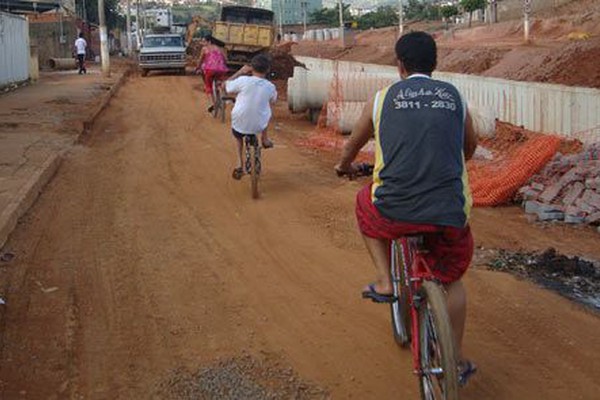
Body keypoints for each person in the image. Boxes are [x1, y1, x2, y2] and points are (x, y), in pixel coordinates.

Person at [334, 31, 478, 386]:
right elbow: (469, 148)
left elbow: (353, 144)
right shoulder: (455, 97)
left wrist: (344, 166)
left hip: (393, 209)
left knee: (363, 202)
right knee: (453, 280)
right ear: (436, 63)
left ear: (399, 64)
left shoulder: (381, 100)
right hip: (448, 211)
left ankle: (385, 282)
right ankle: (455, 359)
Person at [224, 54, 277, 180]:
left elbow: (227, 86)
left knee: (238, 138)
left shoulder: (243, 80)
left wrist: (240, 71)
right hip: (259, 124)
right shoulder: (270, 86)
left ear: (251, 68)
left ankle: (239, 163)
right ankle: (264, 139)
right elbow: (273, 100)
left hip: (240, 122)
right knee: (266, 111)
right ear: (268, 69)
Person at [195, 35, 228, 113]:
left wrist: (197, 68)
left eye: (204, 41)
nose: (203, 43)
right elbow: (225, 60)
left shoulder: (205, 49)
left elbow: (200, 60)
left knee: (208, 86)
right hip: (221, 70)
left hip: (210, 71)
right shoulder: (221, 48)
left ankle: (212, 103)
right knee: (221, 83)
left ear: (209, 41)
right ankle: (223, 97)